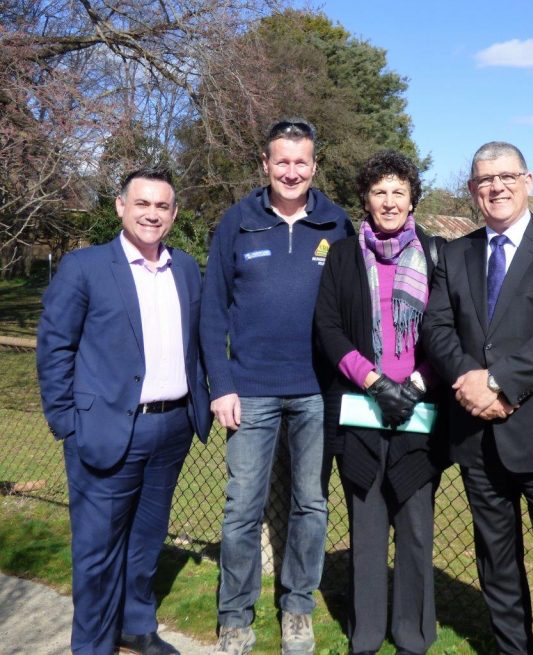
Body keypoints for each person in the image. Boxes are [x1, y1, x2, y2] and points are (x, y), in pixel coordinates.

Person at [422, 141, 533, 655]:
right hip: (477, 436)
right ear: (473, 190)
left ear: (527, 181)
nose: (494, 187)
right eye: (483, 180)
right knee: (495, 561)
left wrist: (496, 383)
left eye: (505, 177)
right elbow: (437, 326)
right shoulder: (455, 253)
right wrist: (472, 385)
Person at [37, 168, 212, 655]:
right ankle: (92, 645)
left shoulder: (186, 269)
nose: (152, 214)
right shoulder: (85, 267)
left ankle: (136, 628)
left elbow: (198, 343)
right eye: (143, 203)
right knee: (96, 554)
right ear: (120, 206)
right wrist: (68, 423)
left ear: (174, 214)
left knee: (145, 542)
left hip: (172, 427)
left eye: (162, 206)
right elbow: (54, 349)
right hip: (106, 431)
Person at [201, 118, 354, 655]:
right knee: (242, 506)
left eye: (301, 161)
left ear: (315, 166)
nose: (291, 171)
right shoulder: (237, 223)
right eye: (281, 161)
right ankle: (235, 616)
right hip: (250, 390)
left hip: (318, 391)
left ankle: (297, 609)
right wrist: (221, 384)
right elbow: (211, 309)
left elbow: (356, 306)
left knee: (311, 504)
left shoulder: (338, 224)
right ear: (265, 165)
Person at [314, 150, 446, 655]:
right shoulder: (344, 256)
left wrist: (414, 385)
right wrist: (372, 381)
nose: (389, 201)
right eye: (379, 192)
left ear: (412, 197)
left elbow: (447, 331)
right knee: (366, 529)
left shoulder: (436, 255)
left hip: (418, 408)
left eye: (398, 191)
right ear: (365, 199)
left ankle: (412, 634)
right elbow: (327, 326)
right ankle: (366, 632)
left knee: (415, 527)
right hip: (361, 408)